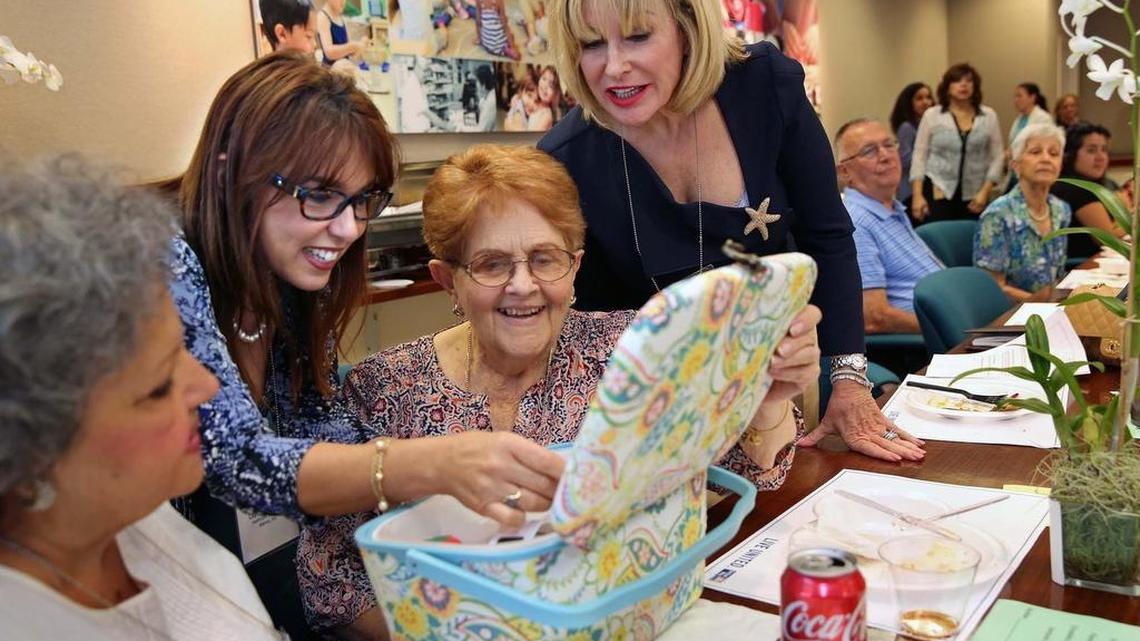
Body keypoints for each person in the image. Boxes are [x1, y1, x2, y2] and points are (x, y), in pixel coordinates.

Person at [295, 143, 823, 638]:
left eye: (546, 258)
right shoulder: (382, 389)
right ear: (446, 278)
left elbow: (757, 472)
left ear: (575, 265)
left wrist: (769, 393)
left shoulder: (633, 349)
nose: (523, 285)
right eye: (492, 264)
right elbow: (332, 582)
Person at [538, 0, 924, 463]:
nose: (615, 67)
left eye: (638, 37)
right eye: (591, 44)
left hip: (785, 389)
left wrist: (849, 379)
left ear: (685, 28)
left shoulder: (763, 85)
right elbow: (593, 325)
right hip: (663, 414)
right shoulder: (568, 160)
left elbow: (830, 238)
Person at [0, 157, 280, 640]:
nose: (208, 387)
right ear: (33, 450)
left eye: (183, 351)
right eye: (157, 387)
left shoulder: (133, 516)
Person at [836, 118, 942, 334]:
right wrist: (951, 326)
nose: (885, 156)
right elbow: (874, 317)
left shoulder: (893, 208)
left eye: (889, 145)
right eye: (869, 151)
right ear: (845, 172)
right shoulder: (855, 223)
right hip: (928, 347)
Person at [974, 124, 1070, 302]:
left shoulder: (1061, 210)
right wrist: (1044, 303)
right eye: (1035, 152)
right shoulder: (997, 215)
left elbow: (1057, 274)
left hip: (1052, 309)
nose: (1046, 159)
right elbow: (994, 288)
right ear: (1015, 165)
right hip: (1012, 316)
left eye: (1054, 153)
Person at [910, 63, 1005, 223]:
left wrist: (986, 191)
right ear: (947, 87)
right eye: (957, 81)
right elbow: (919, 156)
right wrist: (917, 195)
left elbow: (998, 156)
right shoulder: (932, 115)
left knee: (970, 238)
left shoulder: (988, 116)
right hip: (938, 188)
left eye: (969, 81)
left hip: (976, 192)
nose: (964, 85)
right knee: (939, 238)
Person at [1051, 122, 1128, 260]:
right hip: (1081, 269)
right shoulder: (1078, 189)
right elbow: (1107, 239)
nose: (1100, 157)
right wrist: (1130, 215)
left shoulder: (1087, 184)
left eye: (1104, 150)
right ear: (1071, 154)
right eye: (1091, 150)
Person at [889, 82, 935, 218]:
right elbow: (904, 159)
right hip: (910, 191)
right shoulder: (907, 127)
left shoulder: (932, 126)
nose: (925, 102)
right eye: (919, 98)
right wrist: (931, 156)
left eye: (928, 97)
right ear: (909, 103)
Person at [318, 0, 367, 66]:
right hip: (330, 70)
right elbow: (329, 53)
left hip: (344, 69)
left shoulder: (341, 17)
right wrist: (352, 46)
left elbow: (348, 50)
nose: (343, 1)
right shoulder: (323, 17)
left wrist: (360, 45)